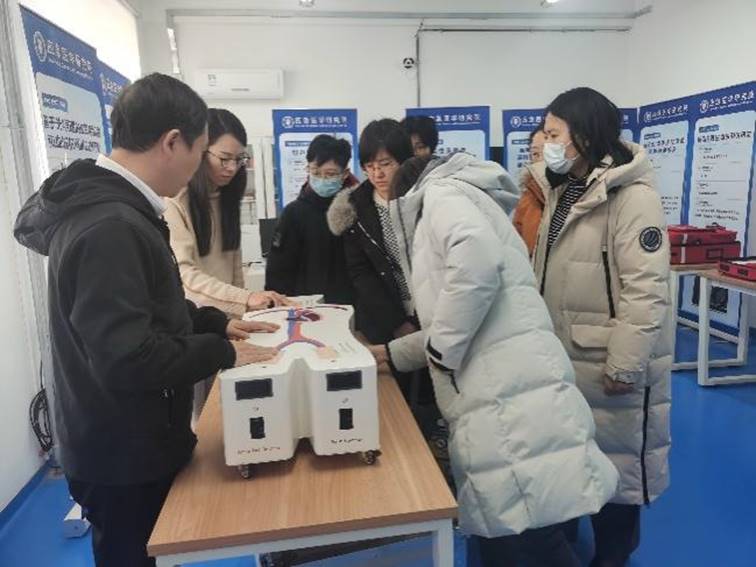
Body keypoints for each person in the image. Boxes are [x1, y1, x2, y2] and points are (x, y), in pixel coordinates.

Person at [13, 73, 279, 567]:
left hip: (125, 439)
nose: (201, 168)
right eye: (202, 151)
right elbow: (128, 358)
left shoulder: (118, 211)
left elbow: (149, 307)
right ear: (172, 142)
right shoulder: (110, 226)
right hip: (121, 453)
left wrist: (214, 322)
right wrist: (222, 351)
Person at [367, 152, 618, 567]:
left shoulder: (440, 195)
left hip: (505, 394)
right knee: (517, 527)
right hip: (509, 384)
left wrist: (441, 354)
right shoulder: (464, 199)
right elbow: (463, 316)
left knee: (527, 532)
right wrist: (392, 354)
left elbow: (475, 267)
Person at [531, 87, 672, 567]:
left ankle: (613, 558)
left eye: (554, 133)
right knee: (571, 462)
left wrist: (625, 365)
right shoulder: (562, 190)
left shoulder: (633, 198)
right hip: (563, 356)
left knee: (618, 471)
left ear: (586, 137)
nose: (546, 142)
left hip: (606, 361)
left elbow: (646, 290)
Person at [164, 108, 290, 319]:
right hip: (196, 319)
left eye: (239, 159)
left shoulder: (226, 196)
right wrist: (245, 298)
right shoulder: (175, 200)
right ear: (201, 152)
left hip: (227, 320)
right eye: (224, 158)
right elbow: (184, 275)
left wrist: (242, 315)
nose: (232, 168)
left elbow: (235, 266)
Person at [327, 118, 416, 345]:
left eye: (385, 164)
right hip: (384, 319)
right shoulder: (355, 207)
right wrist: (397, 323)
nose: (377, 174)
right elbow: (361, 272)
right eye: (369, 166)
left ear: (404, 160)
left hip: (432, 309)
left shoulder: (426, 198)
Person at [265, 134, 359, 304]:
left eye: (330, 174)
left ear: (345, 173)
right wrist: (278, 306)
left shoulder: (356, 208)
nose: (322, 179)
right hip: (305, 307)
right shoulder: (294, 213)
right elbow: (278, 269)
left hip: (351, 306)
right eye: (315, 172)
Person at [512, 124, 547, 255]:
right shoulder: (528, 198)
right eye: (535, 154)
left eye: (547, 152)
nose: (541, 159)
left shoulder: (580, 194)